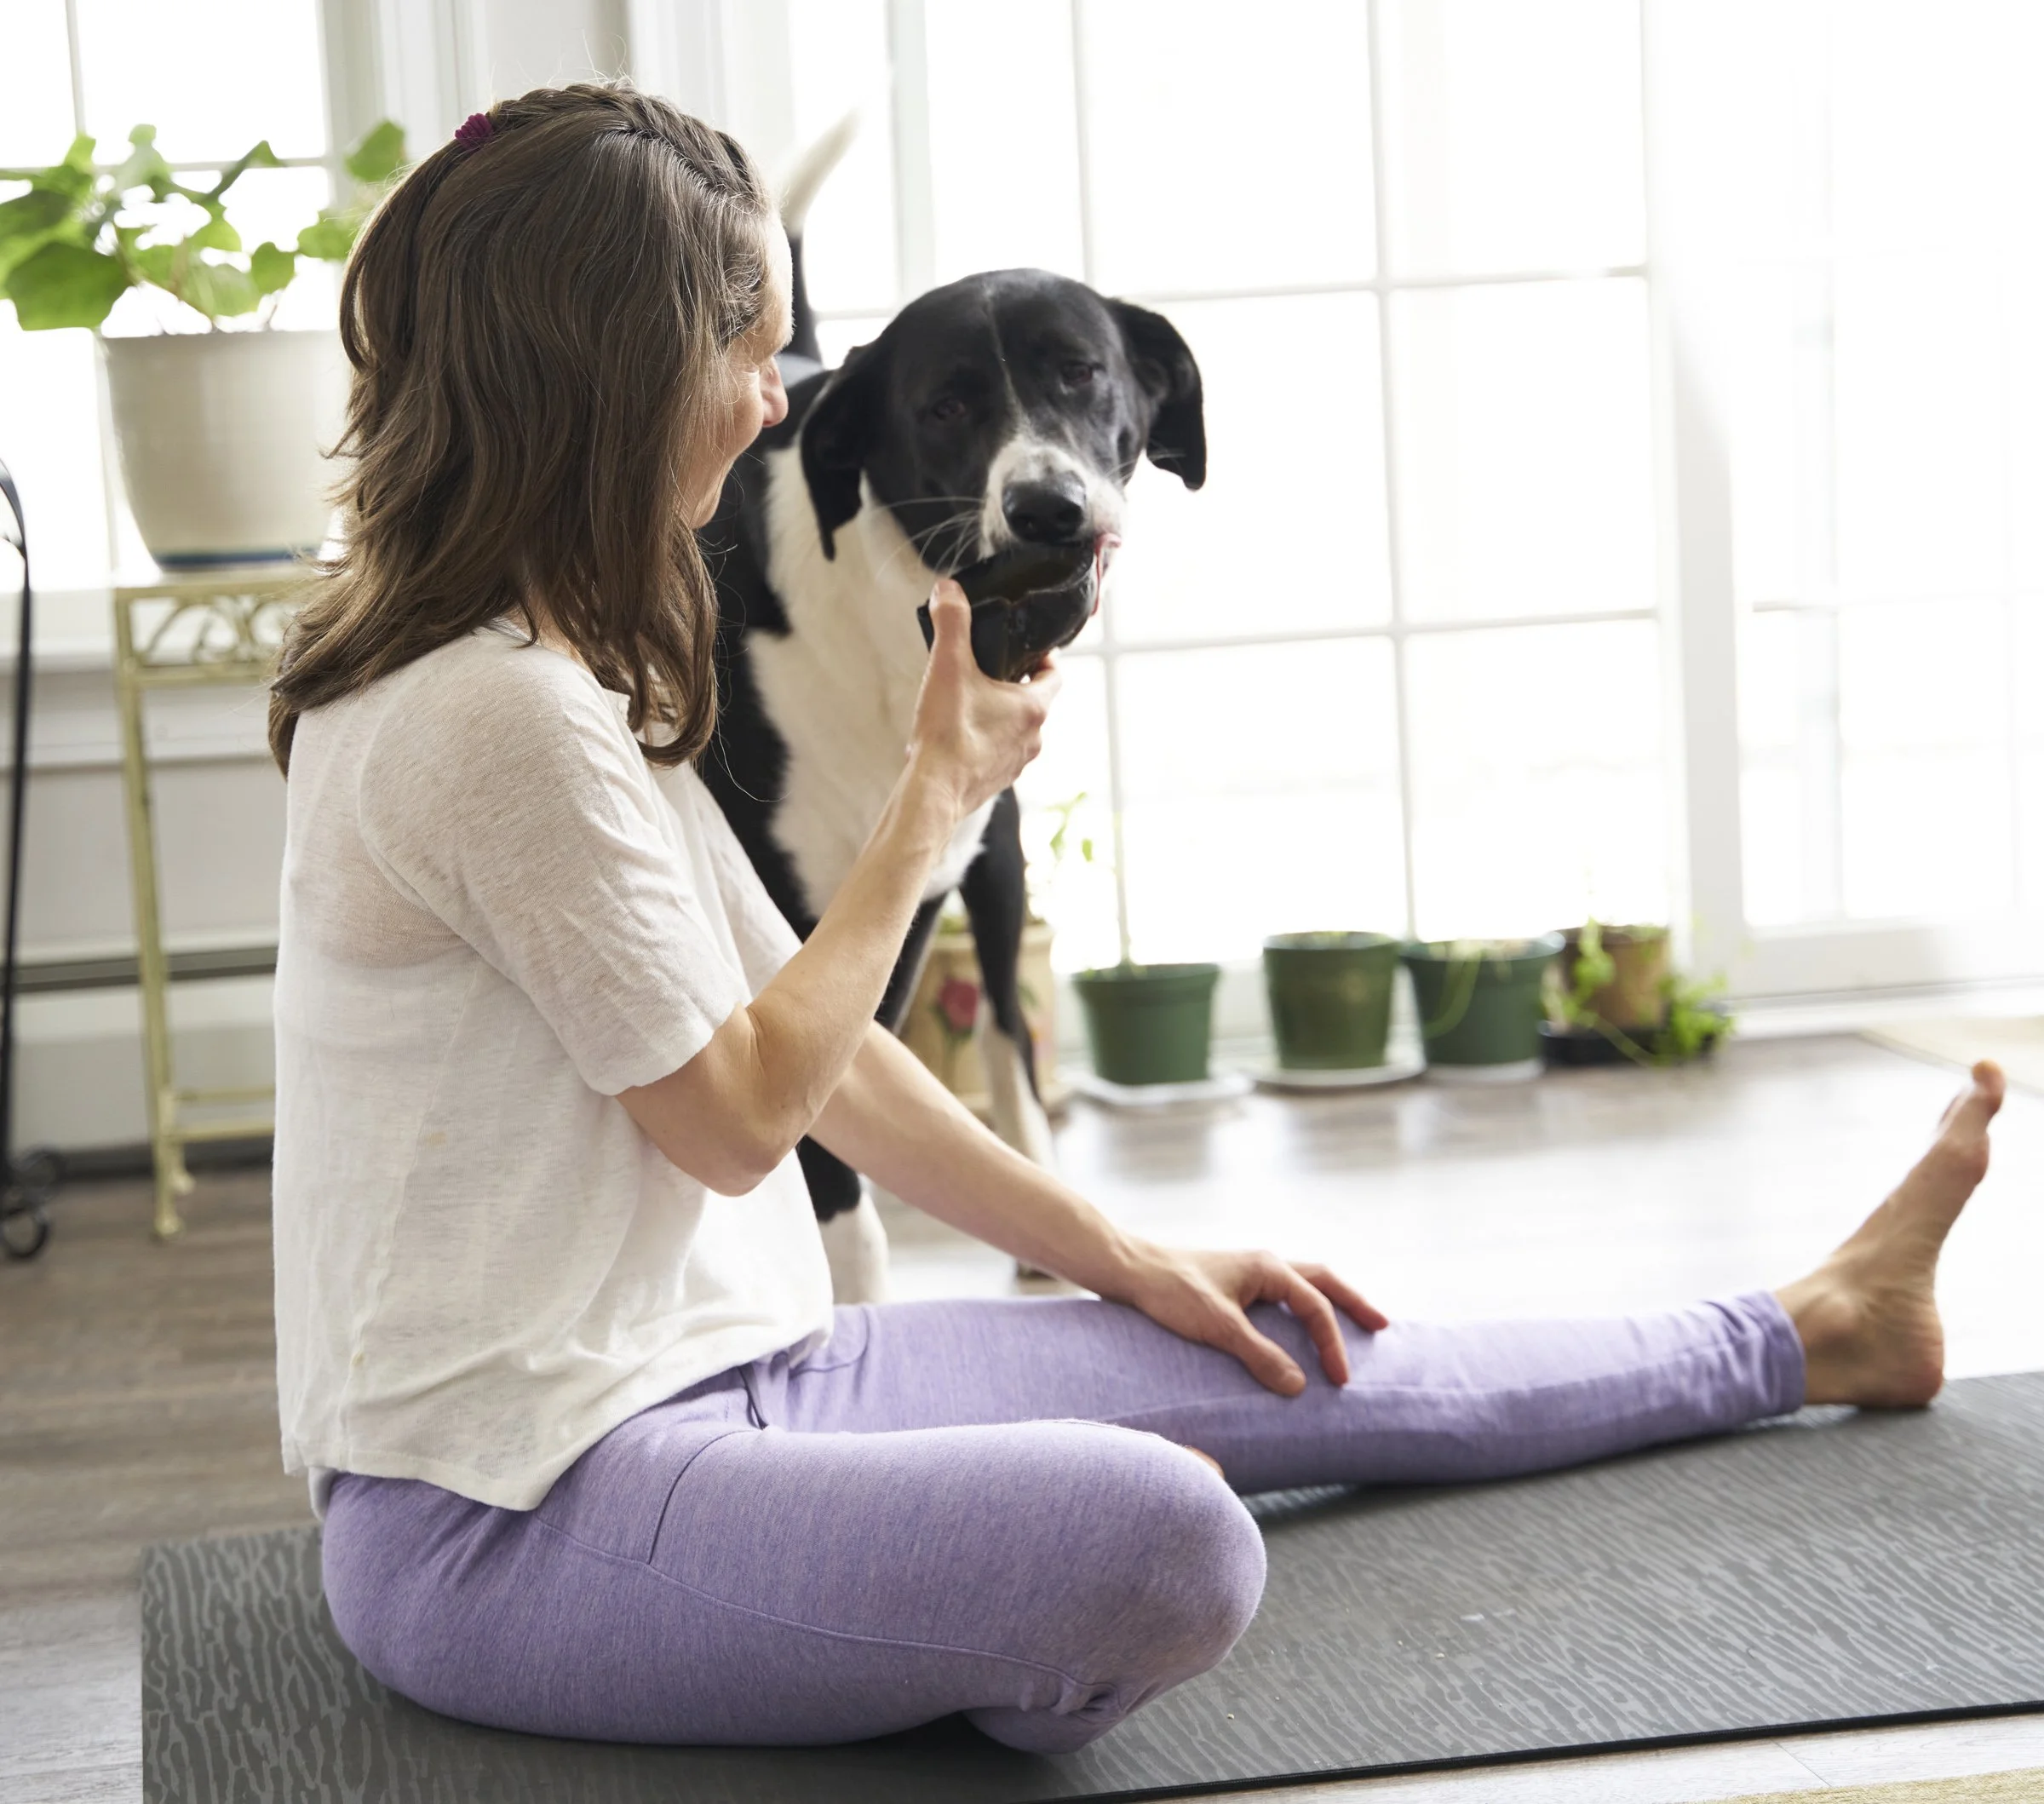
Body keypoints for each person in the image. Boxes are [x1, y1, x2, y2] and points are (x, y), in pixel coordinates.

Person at [268, 83, 2007, 1755]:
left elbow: (837, 1068)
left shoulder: (551, 673)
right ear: (623, 376)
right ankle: (886, 1639)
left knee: (1271, 1348)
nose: (772, 403)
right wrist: (935, 803)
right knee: (1172, 1541)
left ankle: (1810, 1327)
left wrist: (1132, 1262)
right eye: (748, 353)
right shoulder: (488, 716)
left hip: (726, 1373)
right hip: (510, 1512)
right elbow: (738, 1125)